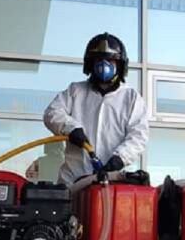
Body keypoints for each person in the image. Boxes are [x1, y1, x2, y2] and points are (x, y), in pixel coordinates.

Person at [43, 32, 149, 185]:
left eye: (110, 60)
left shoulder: (131, 98)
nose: (104, 65)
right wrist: (71, 128)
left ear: (120, 64)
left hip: (109, 183)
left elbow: (139, 136)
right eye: (99, 60)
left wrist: (120, 158)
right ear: (90, 64)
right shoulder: (75, 91)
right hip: (72, 180)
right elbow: (51, 113)